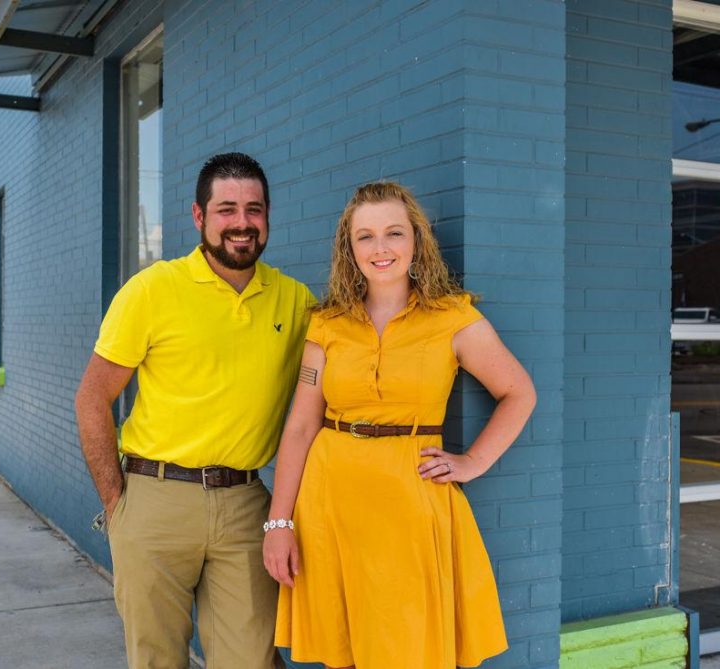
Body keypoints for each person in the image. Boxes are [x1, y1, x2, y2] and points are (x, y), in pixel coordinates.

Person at [263, 182, 537, 669]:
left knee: (408, 649)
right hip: (329, 504)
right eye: (364, 237)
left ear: (417, 241)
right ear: (349, 250)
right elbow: (301, 427)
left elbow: (518, 392)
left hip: (408, 506)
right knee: (340, 651)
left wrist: (473, 461)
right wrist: (279, 522)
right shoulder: (327, 324)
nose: (380, 248)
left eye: (393, 233)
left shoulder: (452, 317)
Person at [74, 152, 314, 669]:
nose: (242, 223)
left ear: (268, 216)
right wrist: (118, 506)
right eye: (226, 209)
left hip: (246, 503)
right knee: (157, 659)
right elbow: (93, 398)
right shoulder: (152, 290)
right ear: (199, 217)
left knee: (251, 660)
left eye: (254, 209)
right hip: (154, 499)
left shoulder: (296, 302)